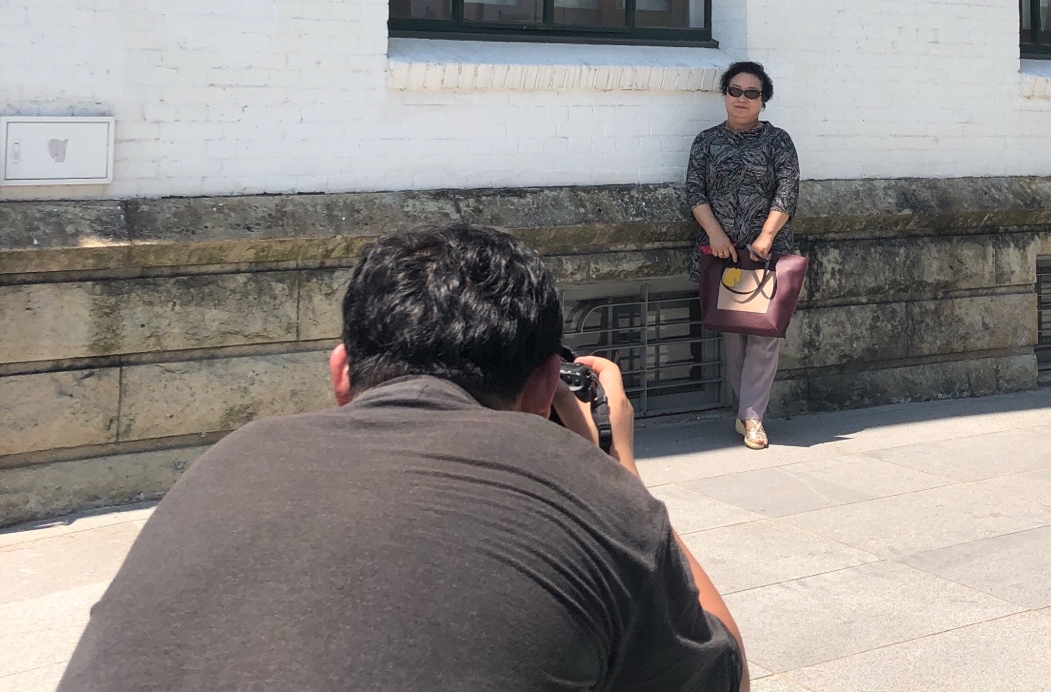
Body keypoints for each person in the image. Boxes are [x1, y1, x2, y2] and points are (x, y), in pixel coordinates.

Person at [58, 224, 748, 692]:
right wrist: (618, 469)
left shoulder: (232, 458)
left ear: (340, 373)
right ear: (546, 386)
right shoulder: (592, 492)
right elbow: (728, 672)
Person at [685, 60, 799, 451]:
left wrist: (766, 237)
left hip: (767, 252)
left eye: (752, 93)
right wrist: (715, 233)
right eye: (735, 91)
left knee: (765, 333)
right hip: (723, 254)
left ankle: (753, 418)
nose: (742, 99)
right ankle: (746, 410)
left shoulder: (778, 141)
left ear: (763, 100)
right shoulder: (706, 141)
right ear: (725, 94)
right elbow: (694, 191)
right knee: (733, 332)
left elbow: (787, 191)